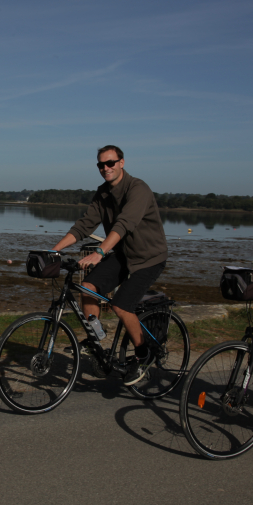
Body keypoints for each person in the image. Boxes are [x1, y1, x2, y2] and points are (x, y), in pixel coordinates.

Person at [51, 145, 168, 386]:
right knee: (87, 286)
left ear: (122, 163)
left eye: (111, 163)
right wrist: (54, 250)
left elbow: (124, 223)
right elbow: (84, 226)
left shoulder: (138, 189)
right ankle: (97, 342)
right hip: (125, 253)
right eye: (101, 165)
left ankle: (144, 354)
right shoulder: (102, 194)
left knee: (122, 305)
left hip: (148, 258)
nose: (106, 168)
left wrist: (100, 252)